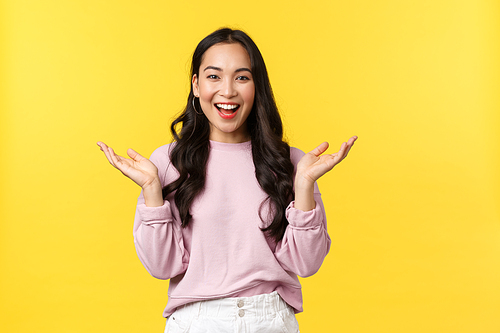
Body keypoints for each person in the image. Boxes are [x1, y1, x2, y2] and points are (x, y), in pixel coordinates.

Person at [97, 28, 357, 333]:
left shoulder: (293, 163)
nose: (228, 91)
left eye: (242, 77)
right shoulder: (167, 163)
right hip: (195, 322)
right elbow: (161, 267)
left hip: (270, 320)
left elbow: (306, 265)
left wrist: (304, 188)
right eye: (214, 76)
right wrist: (153, 192)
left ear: (256, 86)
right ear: (196, 84)